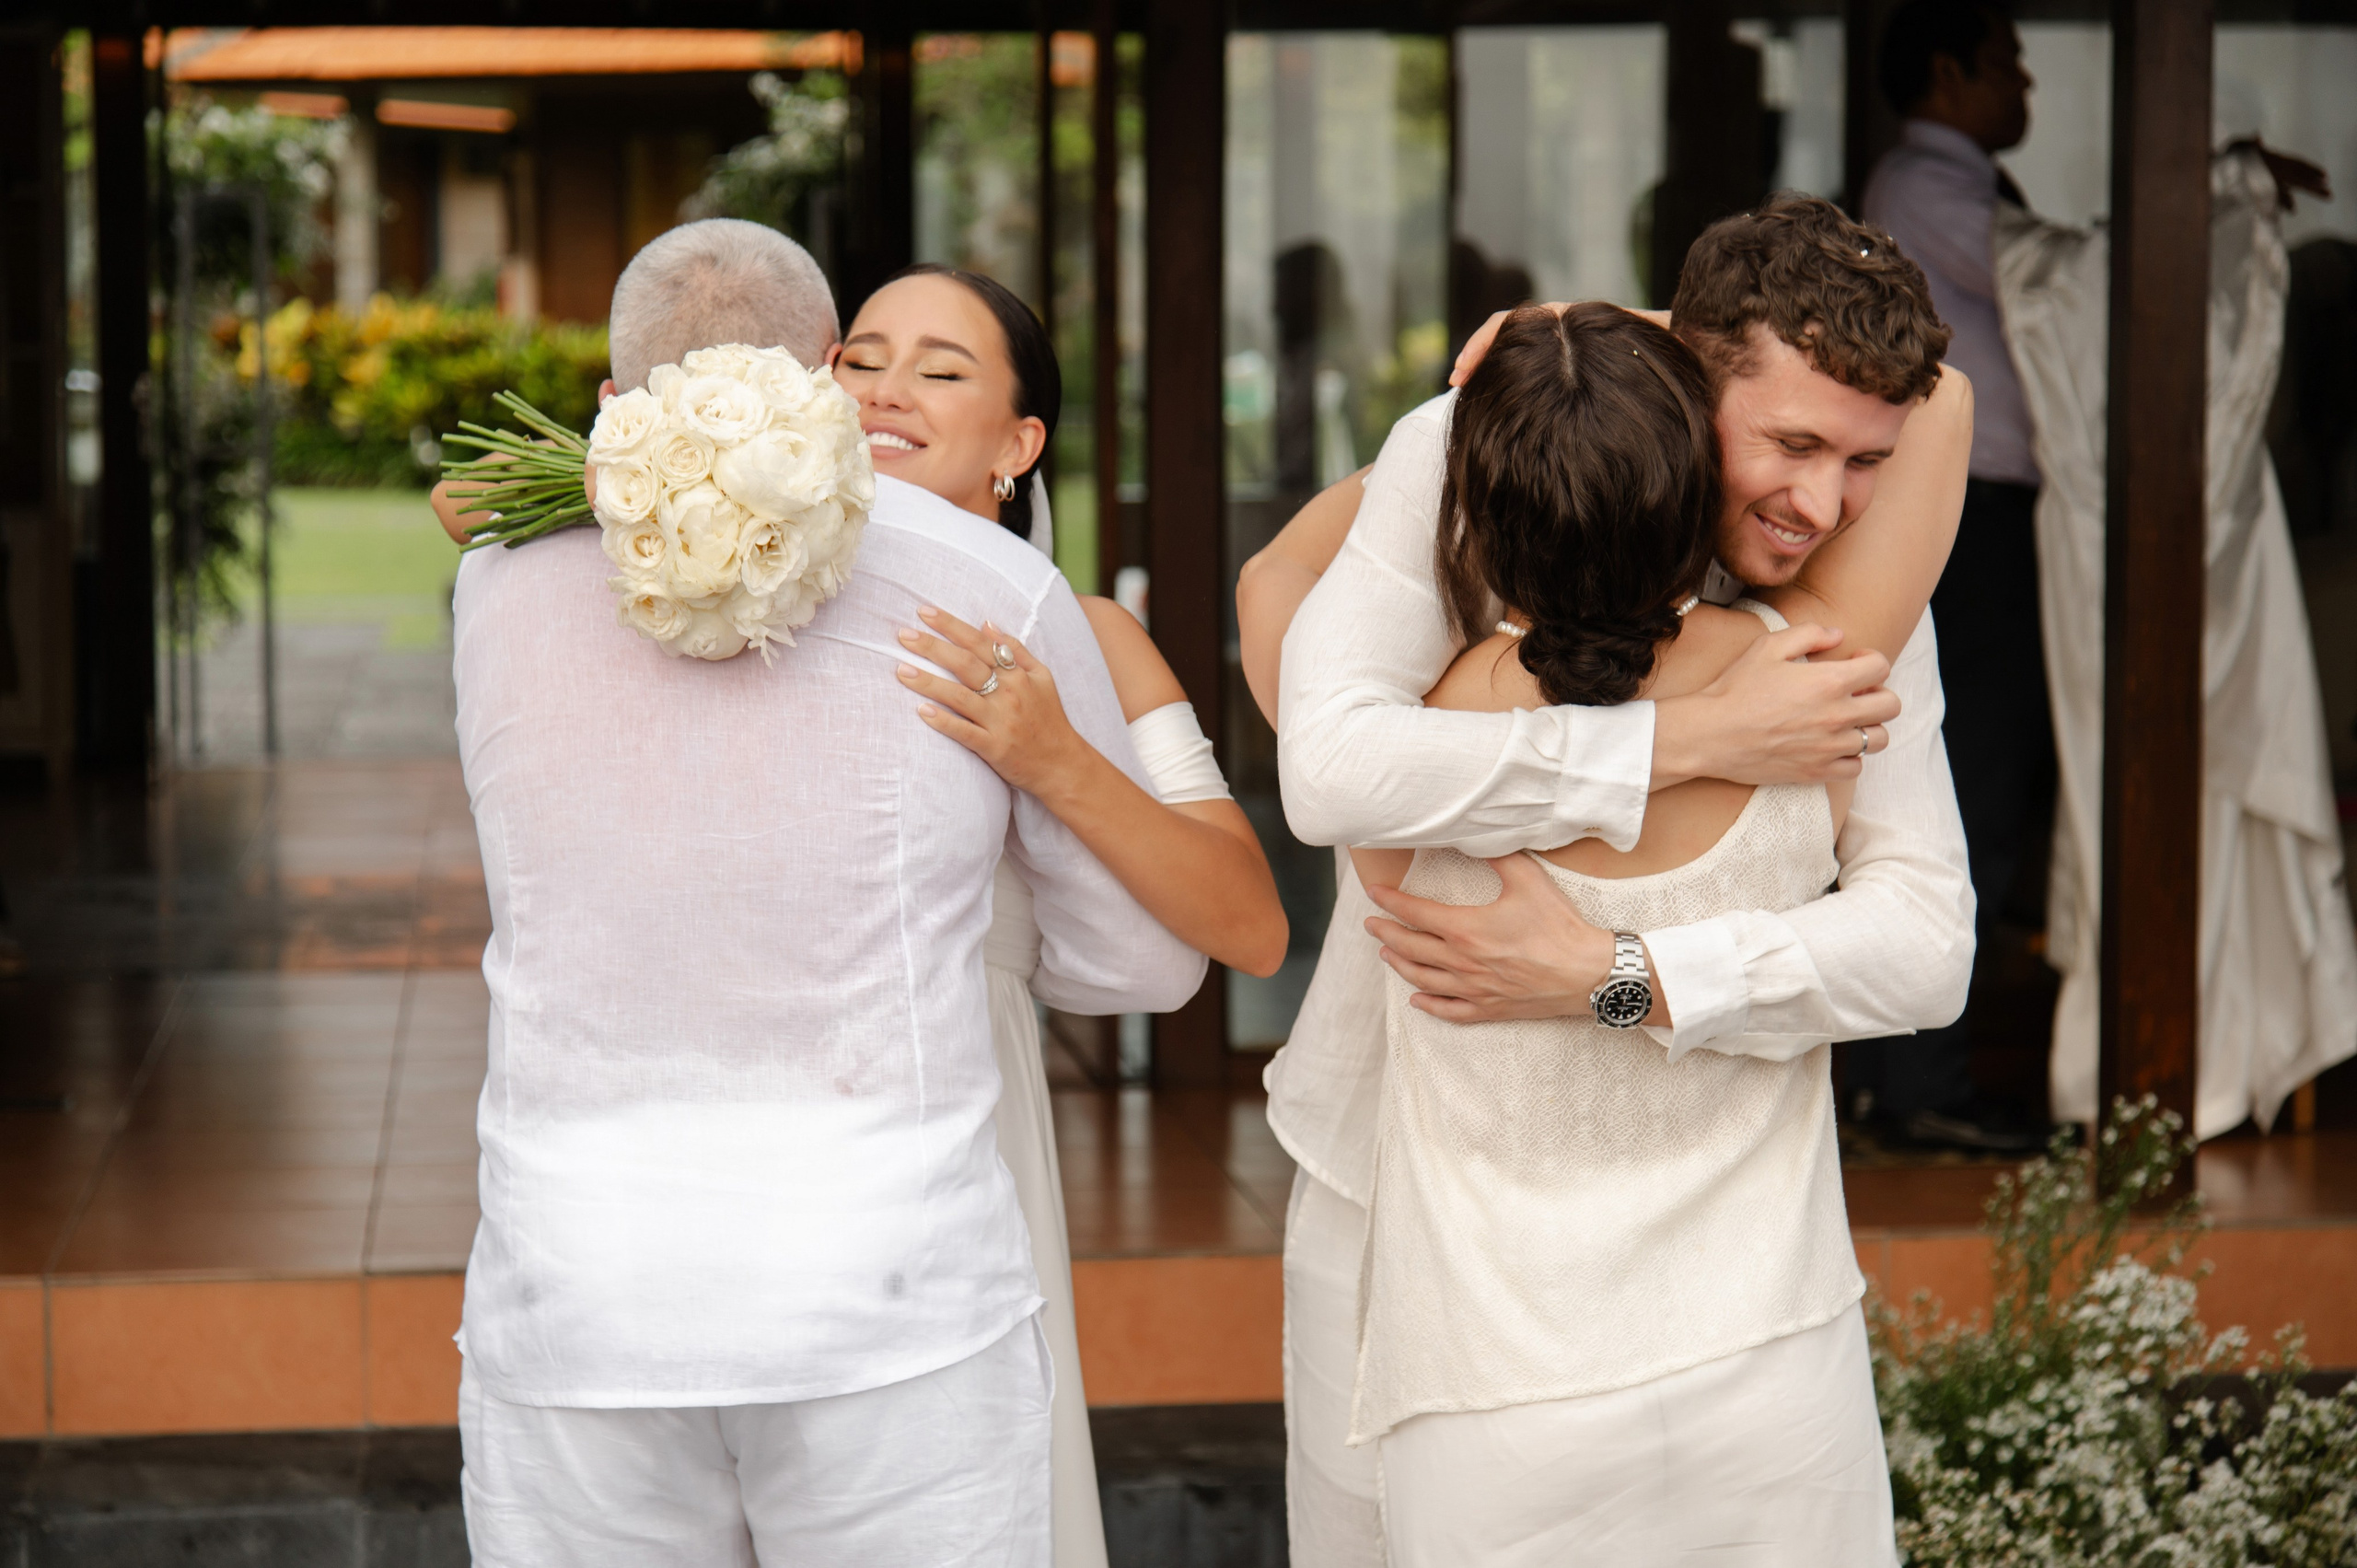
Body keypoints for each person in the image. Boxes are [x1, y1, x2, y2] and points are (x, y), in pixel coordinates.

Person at [443, 217, 1205, 1566]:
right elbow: (1138, 965)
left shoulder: (495, 587)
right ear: (823, 382)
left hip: (577, 1290)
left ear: (611, 402)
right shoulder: (994, 586)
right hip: (889, 1300)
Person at [1238, 193, 1973, 1567]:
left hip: (1741, 1291)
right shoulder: (1462, 454)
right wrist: (1687, 741)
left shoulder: (1860, 599)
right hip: (1405, 1198)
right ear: (1694, 384)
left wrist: (1623, 975)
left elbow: (1926, 940)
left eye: (1865, 459)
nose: (1823, 503)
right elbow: (1332, 765)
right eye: (1795, 444)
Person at [836, 263, 1287, 1568]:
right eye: (863, 357)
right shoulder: (753, 606)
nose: (887, 390)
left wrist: (1058, 757)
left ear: (1020, 445)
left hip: (958, 1128)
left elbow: (1251, 925)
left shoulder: (1084, 635)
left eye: (941, 367)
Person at [1856, 0, 2051, 1151]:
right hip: (1966, 519)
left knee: (1985, 767)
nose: (2025, 86)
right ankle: (1919, 1081)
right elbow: (2066, 278)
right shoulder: (1924, 189)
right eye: (2007, 64)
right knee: (1964, 770)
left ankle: (1916, 1073)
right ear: (1947, 72)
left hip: (1994, 513)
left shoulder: (1956, 190)